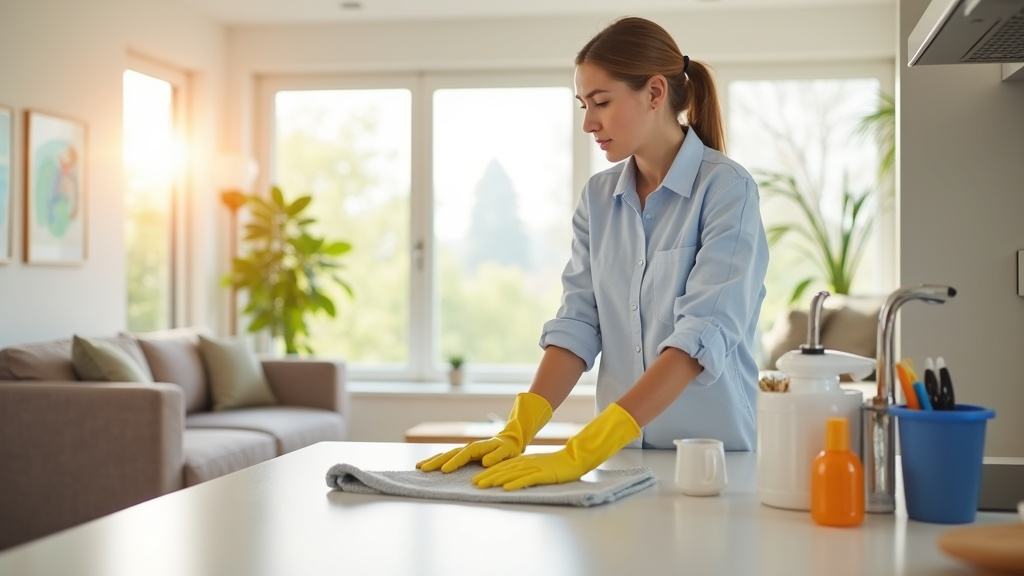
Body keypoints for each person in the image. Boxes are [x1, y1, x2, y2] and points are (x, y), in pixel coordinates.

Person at [417, 16, 769, 491]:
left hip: (712, 467)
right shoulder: (599, 198)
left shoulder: (727, 190)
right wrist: (518, 428)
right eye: (584, 104)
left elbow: (699, 338)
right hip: (621, 462)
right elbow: (580, 323)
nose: (588, 123)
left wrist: (583, 449)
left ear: (655, 93)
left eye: (601, 102)